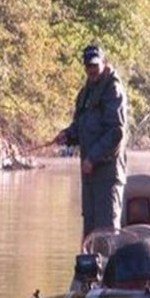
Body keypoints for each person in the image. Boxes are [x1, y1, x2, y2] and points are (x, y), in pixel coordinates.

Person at [52, 45, 128, 239]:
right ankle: (91, 268)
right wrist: (67, 135)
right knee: (90, 233)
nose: (91, 70)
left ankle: (109, 269)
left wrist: (92, 158)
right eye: (88, 66)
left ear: (104, 63)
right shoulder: (86, 92)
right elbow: (81, 125)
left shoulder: (113, 89)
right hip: (89, 175)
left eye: (95, 65)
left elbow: (116, 132)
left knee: (107, 231)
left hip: (108, 174)